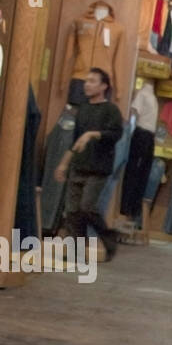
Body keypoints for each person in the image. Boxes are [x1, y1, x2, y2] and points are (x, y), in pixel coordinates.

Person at [54, 68, 124, 259]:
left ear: (104, 86)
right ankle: (77, 250)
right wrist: (63, 164)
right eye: (86, 81)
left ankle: (109, 236)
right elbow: (75, 140)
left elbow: (116, 134)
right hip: (78, 165)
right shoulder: (82, 109)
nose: (87, 84)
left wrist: (92, 134)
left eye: (92, 81)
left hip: (98, 168)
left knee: (87, 206)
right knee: (72, 211)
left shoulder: (111, 110)